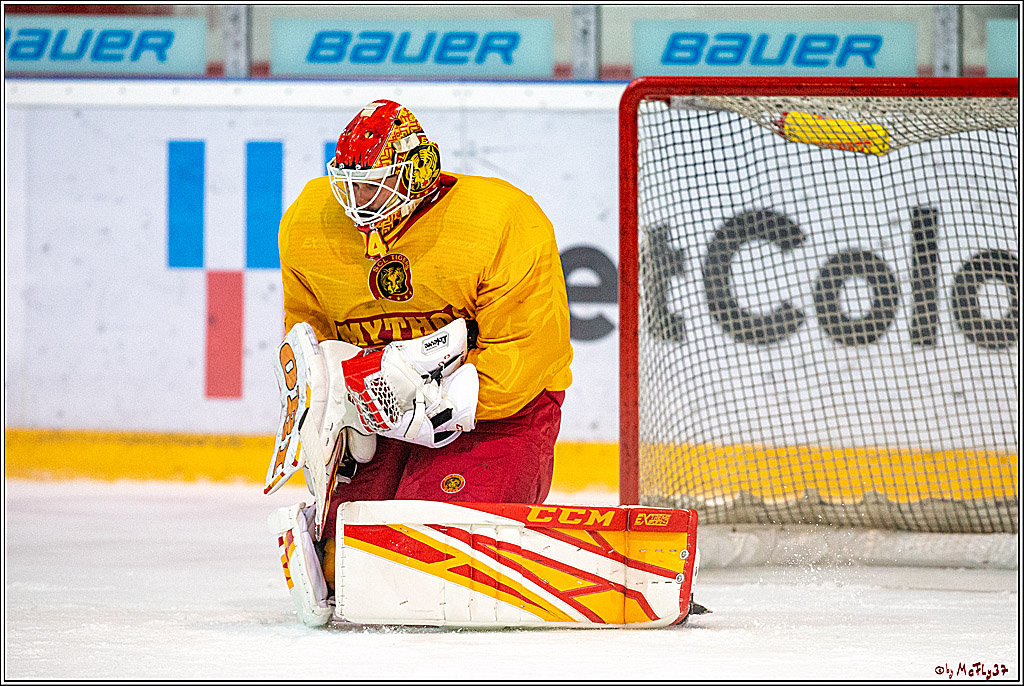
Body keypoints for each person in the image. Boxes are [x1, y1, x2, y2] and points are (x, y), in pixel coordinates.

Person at [267, 99, 573, 623]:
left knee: (426, 555)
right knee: (349, 562)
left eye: (374, 184)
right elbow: (308, 339)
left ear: (417, 171)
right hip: (381, 413)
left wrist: (437, 402)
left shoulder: (501, 221)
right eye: (349, 183)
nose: (357, 200)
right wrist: (340, 399)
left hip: (498, 414)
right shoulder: (308, 225)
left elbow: (525, 353)